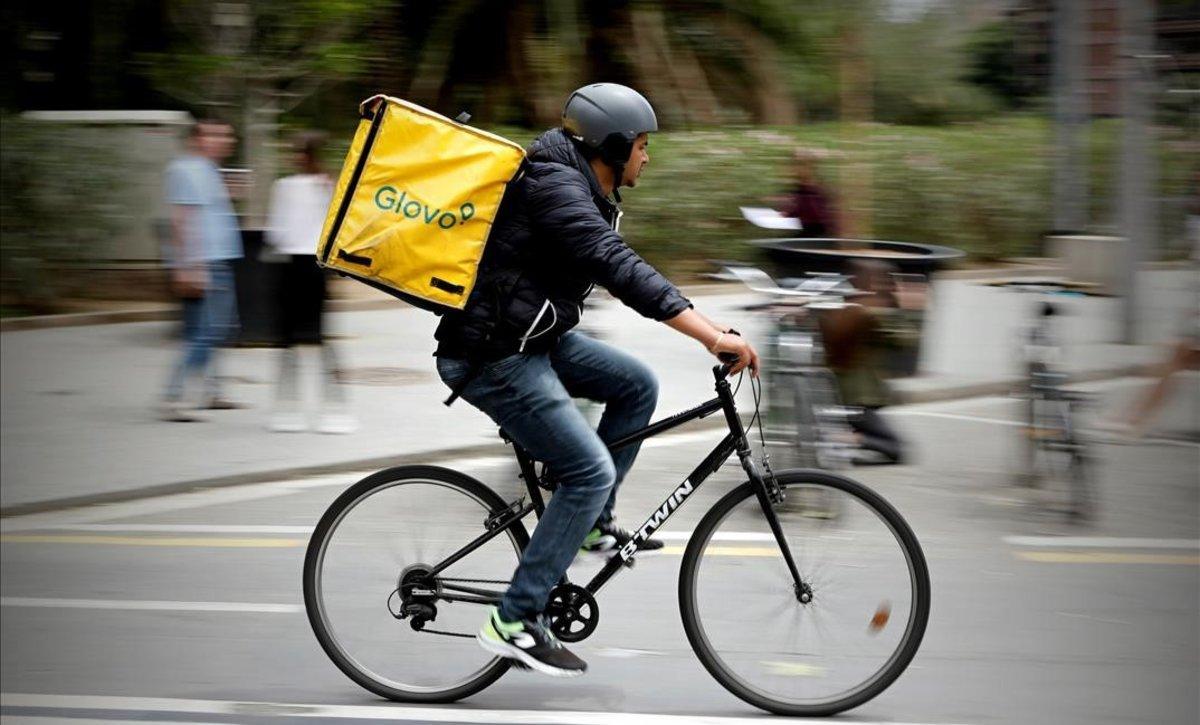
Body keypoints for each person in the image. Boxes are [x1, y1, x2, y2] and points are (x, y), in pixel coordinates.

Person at [434, 83, 759, 677]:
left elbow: (615, 262)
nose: (647, 156)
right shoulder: (554, 187)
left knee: (635, 384)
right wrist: (710, 336)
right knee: (589, 470)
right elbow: (616, 265)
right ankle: (514, 619)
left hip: (535, 337)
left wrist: (711, 324)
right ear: (610, 147)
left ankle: (588, 526)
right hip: (493, 353)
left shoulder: (581, 183)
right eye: (640, 144)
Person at [264, 132, 356, 434]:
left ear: (299, 156)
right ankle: (335, 409)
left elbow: (274, 234)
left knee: (289, 340)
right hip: (316, 267)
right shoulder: (328, 185)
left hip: (291, 266)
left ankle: (286, 410)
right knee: (320, 338)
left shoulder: (284, 187)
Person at [160, 119, 244, 422]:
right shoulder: (186, 169)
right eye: (216, 134)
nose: (225, 140)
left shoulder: (208, 170)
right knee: (209, 331)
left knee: (207, 331)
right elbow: (181, 220)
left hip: (216, 260)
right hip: (206, 263)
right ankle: (175, 397)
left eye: (227, 135)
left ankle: (211, 391)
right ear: (197, 138)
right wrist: (189, 267)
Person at [818, 260, 924, 464]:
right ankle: (838, 440)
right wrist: (906, 306)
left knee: (889, 447)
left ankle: (843, 444)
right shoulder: (872, 313)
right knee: (897, 449)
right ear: (874, 283)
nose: (892, 287)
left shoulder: (841, 308)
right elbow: (907, 340)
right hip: (859, 402)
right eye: (888, 282)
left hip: (845, 397)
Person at [780, 149, 839, 238]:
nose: (795, 168)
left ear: (810, 167)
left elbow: (818, 219)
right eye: (793, 164)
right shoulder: (799, 188)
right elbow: (798, 211)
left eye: (799, 164)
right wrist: (788, 214)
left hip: (817, 238)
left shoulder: (817, 190)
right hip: (802, 235)